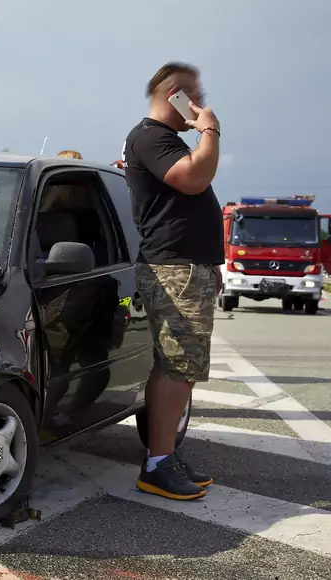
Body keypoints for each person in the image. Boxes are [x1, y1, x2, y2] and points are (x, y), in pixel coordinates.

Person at [122, 62, 223, 501]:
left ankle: (162, 456)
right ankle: (157, 463)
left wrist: (209, 262)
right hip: (173, 268)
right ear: (174, 93)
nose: (199, 104)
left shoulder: (163, 140)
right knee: (178, 366)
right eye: (193, 95)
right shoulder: (150, 137)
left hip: (187, 266)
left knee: (180, 365)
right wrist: (210, 131)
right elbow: (195, 177)